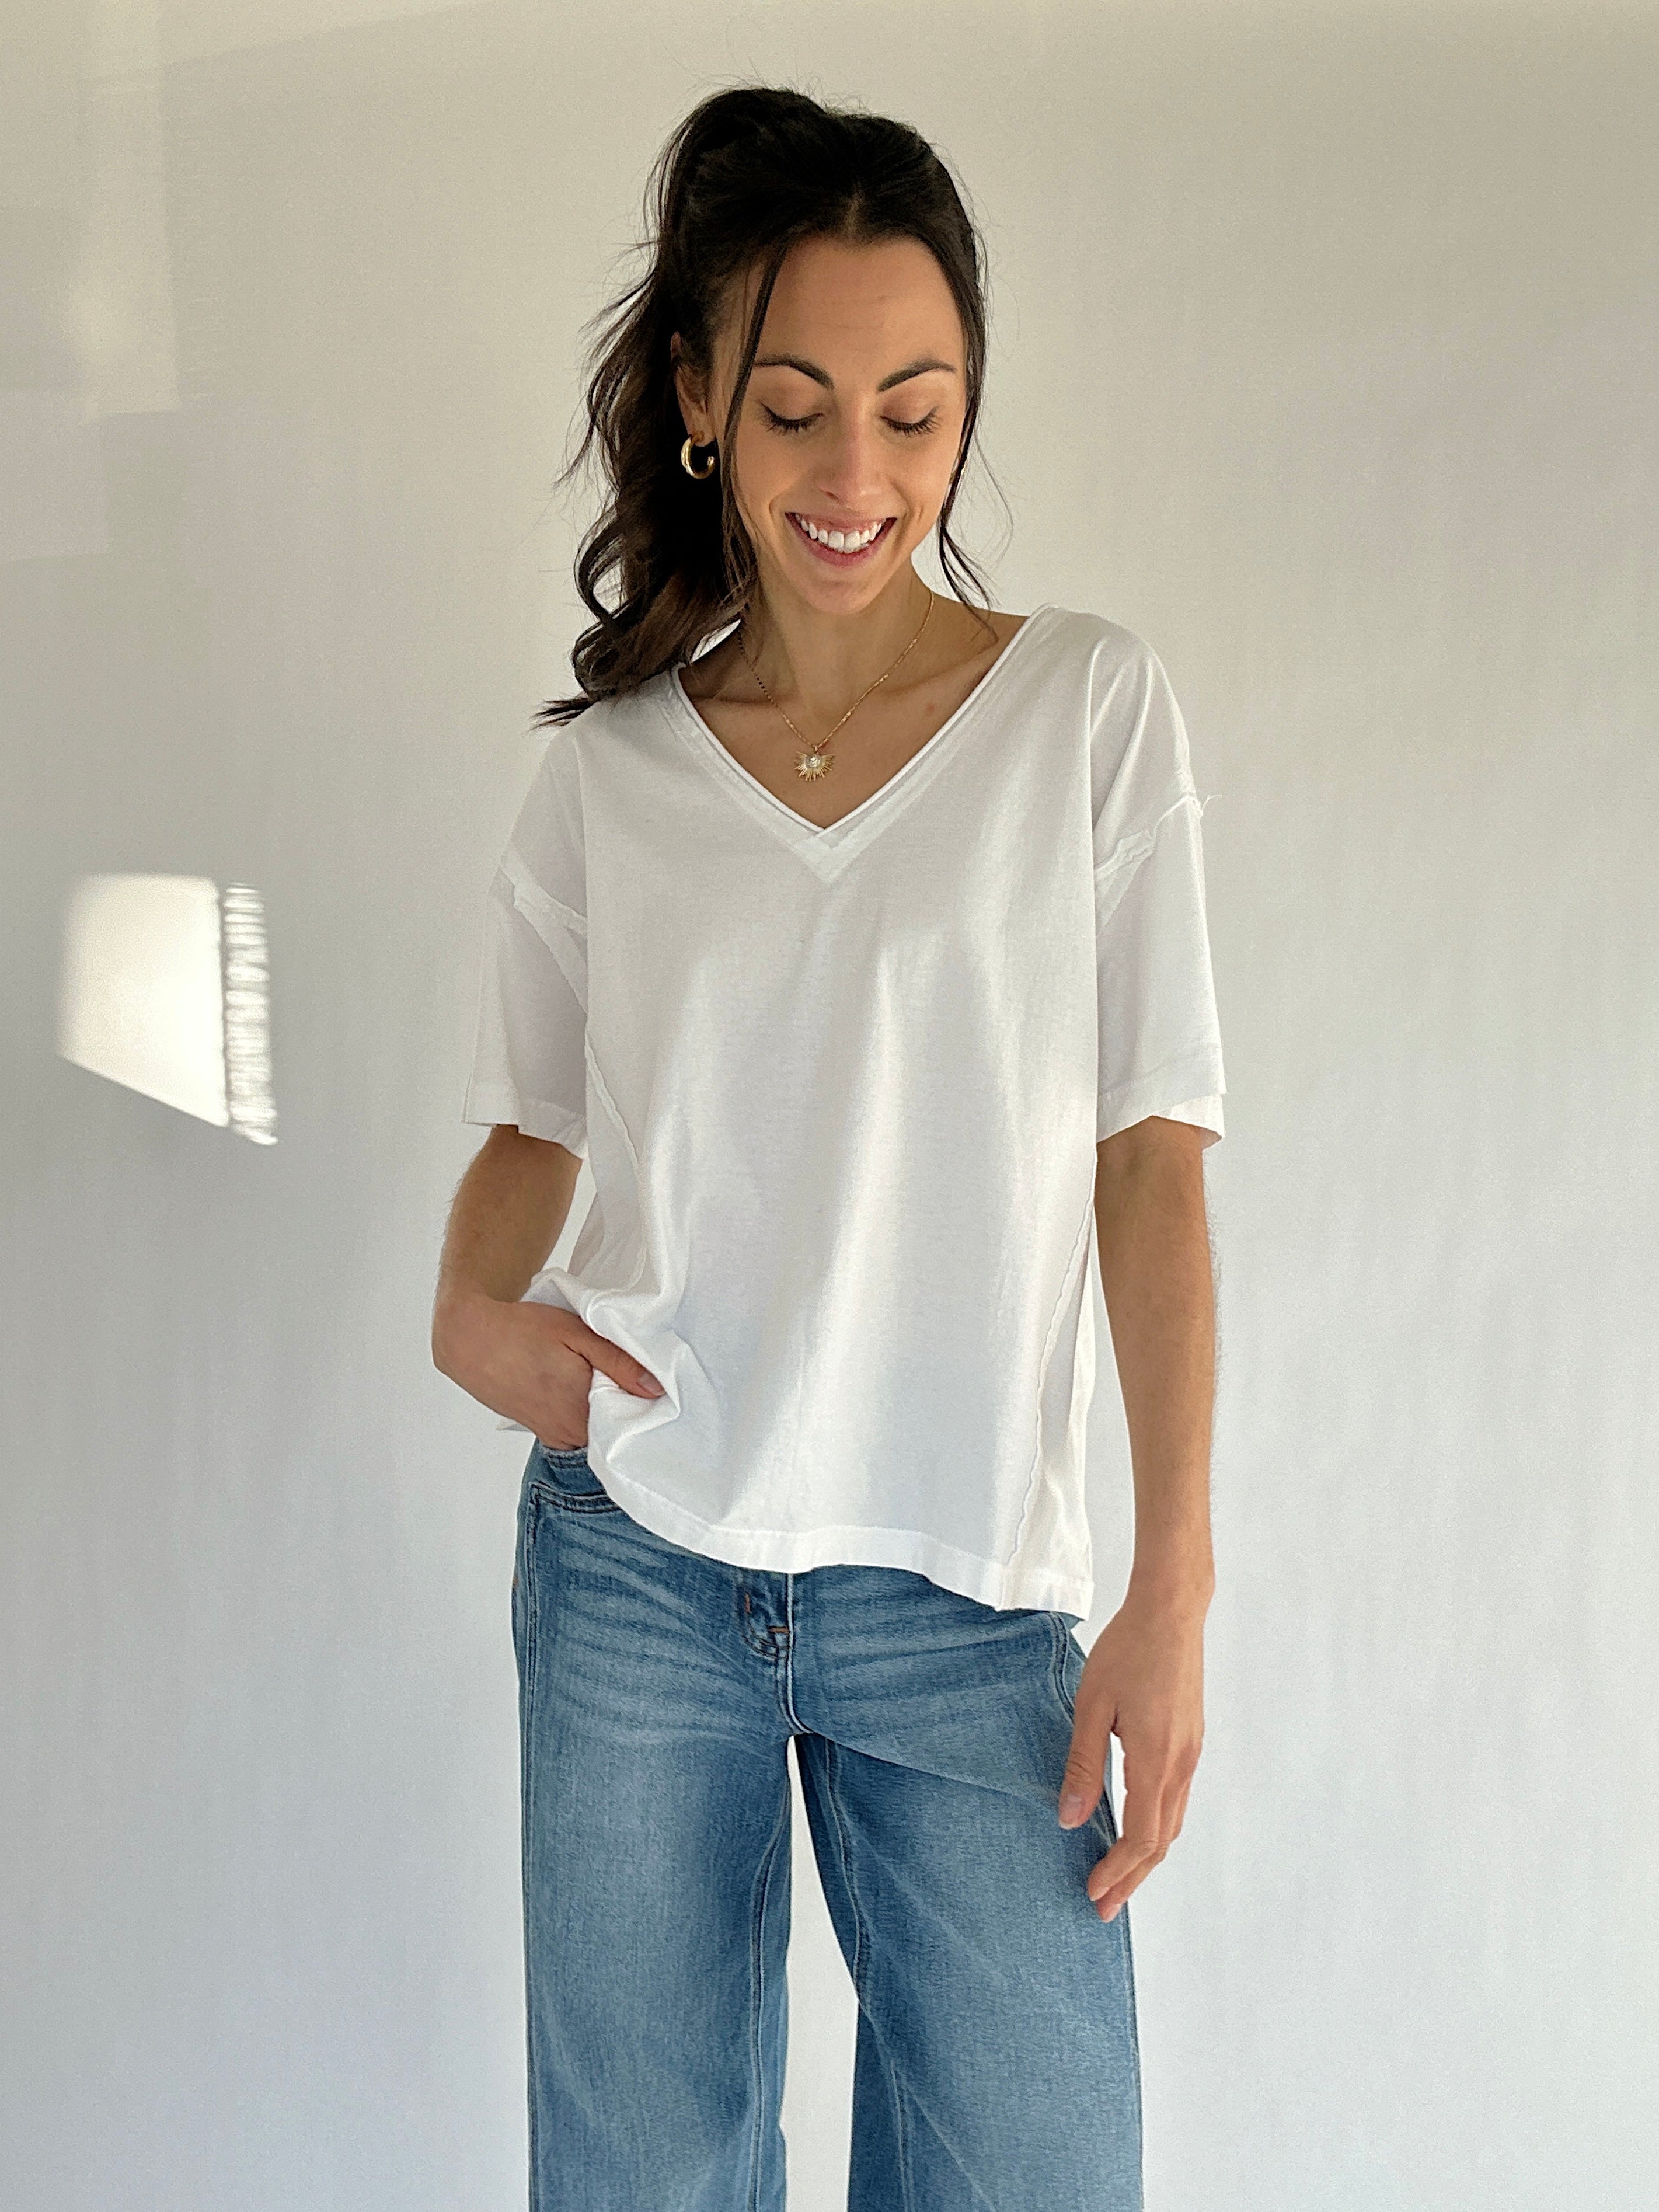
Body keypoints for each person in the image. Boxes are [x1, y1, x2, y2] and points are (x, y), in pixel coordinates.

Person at [431, 83, 1225, 2212]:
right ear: (698, 402)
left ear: (966, 413)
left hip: (966, 1596)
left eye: (913, 406)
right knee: (642, 2181)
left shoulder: (1086, 714)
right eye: (793, 408)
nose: (855, 473)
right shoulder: (611, 775)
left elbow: (1149, 1155)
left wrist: (1172, 1579)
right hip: (640, 1565)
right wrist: (460, 1300)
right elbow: (537, 1119)